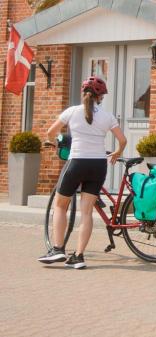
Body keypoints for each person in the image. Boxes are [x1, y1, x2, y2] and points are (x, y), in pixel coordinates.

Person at [38, 76, 127, 269]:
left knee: (61, 205)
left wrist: (52, 143)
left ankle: (58, 249)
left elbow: (50, 133)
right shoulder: (107, 116)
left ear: (83, 92)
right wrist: (117, 152)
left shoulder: (72, 112)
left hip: (77, 162)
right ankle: (78, 257)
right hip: (98, 165)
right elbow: (123, 140)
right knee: (86, 212)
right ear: (100, 96)